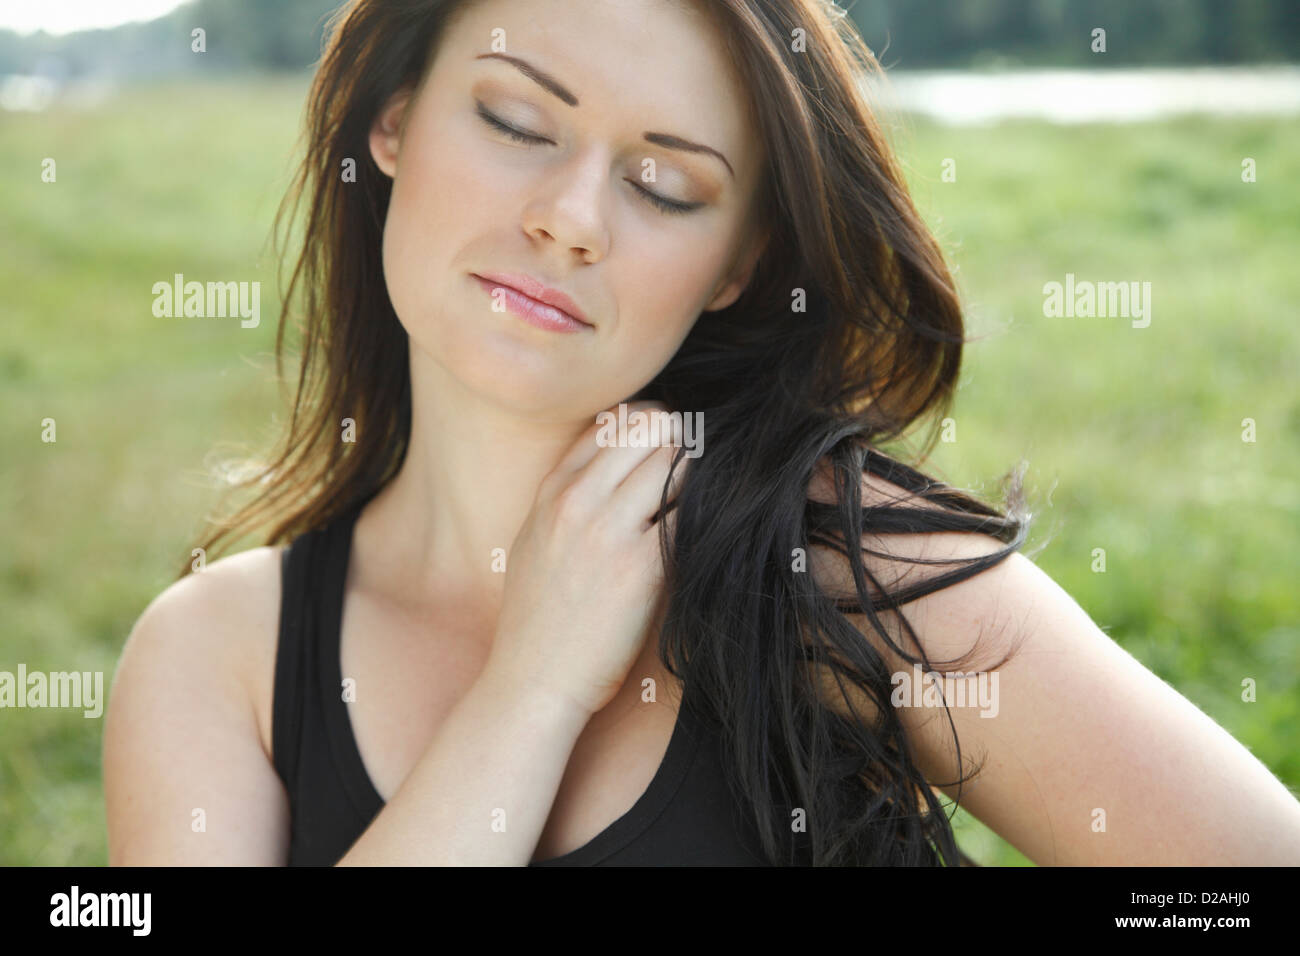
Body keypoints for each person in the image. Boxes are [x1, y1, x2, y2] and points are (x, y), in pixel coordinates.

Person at [103, 0, 1300, 866]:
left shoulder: (848, 565)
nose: (570, 219)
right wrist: (530, 692)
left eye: (664, 186)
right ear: (396, 121)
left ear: (737, 266)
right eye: (518, 120)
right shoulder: (218, 655)